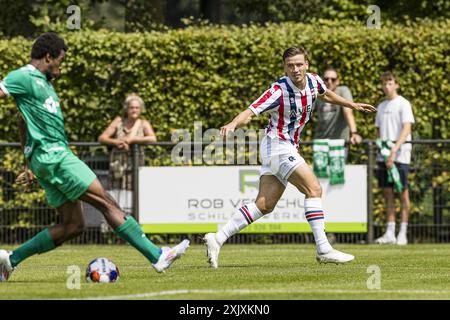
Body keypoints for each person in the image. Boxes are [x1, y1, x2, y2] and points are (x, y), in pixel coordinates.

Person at [0, 32, 188, 282]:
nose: (61, 66)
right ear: (48, 56)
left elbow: (23, 120)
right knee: (106, 201)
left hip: (47, 159)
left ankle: (9, 262)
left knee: (73, 225)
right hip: (55, 156)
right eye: (60, 60)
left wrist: (28, 161)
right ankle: (157, 256)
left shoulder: (44, 84)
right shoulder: (22, 76)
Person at [203, 46, 376, 268]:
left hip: (285, 146)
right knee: (314, 189)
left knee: (265, 204)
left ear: (307, 65)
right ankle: (324, 248)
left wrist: (351, 104)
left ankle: (217, 238)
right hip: (277, 146)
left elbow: (326, 94)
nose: (295, 69)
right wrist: (233, 123)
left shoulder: (314, 81)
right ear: (285, 67)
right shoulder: (278, 90)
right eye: (290, 65)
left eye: (299, 64)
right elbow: (251, 111)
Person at [374, 71, 414, 245]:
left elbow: (406, 129)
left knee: (403, 192)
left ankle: (402, 233)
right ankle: (390, 232)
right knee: (388, 193)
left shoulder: (404, 104)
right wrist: (383, 151)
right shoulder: (381, 106)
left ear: (396, 84)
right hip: (383, 157)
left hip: (401, 156)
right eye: (384, 83)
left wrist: (394, 151)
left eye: (390, 82)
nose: (387, 86)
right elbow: (378, 131)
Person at [99, 94, 156, 191]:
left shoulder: (143, 124)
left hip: (135, 166)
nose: (134, 110)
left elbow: (153, 139)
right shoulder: (118, 121)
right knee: (116, 194)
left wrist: (133, 140)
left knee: (135, 194)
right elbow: (102, 138)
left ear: (141, 109)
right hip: (117, 167)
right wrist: (115, 142)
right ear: (127, 109)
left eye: (137, 108)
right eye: (132, 107)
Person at [314, 67, 362, 144]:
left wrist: (354, 133)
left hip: (339, 141)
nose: (329, 82)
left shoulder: (343, 91)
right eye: (326, 79)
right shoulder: (318, 94)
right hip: (320, 141)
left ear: (338, 81)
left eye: (333, 79)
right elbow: (306, 113)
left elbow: (348, 112)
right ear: (322, 81)